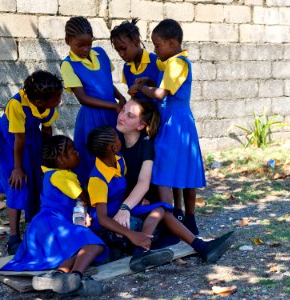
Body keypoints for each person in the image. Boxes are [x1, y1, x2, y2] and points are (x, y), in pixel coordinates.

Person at [92, 99, 234, 273]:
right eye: (122, 111)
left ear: (140, 125)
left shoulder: (146, 145)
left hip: (133, 208)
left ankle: (197, 248)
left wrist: (126, 207)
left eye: (130, 115)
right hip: (123, 213)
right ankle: (143, 252)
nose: (121, 117)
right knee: (160, 212)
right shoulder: (114, 145)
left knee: (161, 211)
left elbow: (143, 182)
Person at [1, 135, 107, 296]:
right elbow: (85, 198)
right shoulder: (62, 176)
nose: (77, 153)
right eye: (72, 151)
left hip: (43, 226)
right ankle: (76, 276)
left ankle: (57, 275)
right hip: (53, 224)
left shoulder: (53, 174)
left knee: (80, 248)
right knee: (94, 245)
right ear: (61, 160)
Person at [129, 19, 205, 235]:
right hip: (177, 120)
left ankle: (175, 218)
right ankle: (183, 217)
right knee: (184, 169)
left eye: (157, 45)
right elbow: (161, 68)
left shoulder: (177, 64)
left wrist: (143, 87)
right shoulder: (174, 60)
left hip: (175, 122)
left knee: (164, 168)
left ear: (172, 44)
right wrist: (147, 77)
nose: (154, 50)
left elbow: (161, 93)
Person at [0, 70, 63, 255]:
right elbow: (18, 139)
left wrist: (48, 156)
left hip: (30, 136)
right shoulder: (16, 105)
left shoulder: (49, 105)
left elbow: (46, 130)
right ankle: (13, 237)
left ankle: (35, 224)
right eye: (57, 98)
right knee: (18, 182)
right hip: (8, 140)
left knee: (38, 177)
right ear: (39, 102)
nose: (59, 100)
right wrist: (17, 168)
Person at [86, 125, 175, 272]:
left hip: (122, 209)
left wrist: (138, 200)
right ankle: (140, 249)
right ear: (113, 148)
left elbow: (123, 188)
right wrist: (131, 234)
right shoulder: (97, 180)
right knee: (154, 218)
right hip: (108, 223)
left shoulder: (119, 160)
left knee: (160, 209)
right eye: (116, 137)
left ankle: (199, 245)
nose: (119, 138)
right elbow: (102, 218)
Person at [61, 16, 126, 187]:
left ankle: (116, 195)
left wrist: (120, 96)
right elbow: (82, 98)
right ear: (68, 41)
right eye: (79, 46)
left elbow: (105, 83)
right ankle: (91, 202)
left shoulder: (101, 54)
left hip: (112, 115)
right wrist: (113, 104)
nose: (85, 49)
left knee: (115, 152)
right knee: (93, 158)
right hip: (92, 119)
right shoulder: (68, 65)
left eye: (88, 44)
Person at [110, 18, 163, 101]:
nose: (121, 54)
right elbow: (135, 97)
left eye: (123, 48)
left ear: (137, 42)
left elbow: (164, 92)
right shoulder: (126, 68)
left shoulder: (157, 62)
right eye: (118, 51)